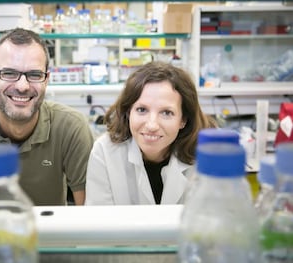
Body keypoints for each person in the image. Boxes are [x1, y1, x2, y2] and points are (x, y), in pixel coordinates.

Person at [0, 28, 94, 206]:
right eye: (9, 73)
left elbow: (88, 214)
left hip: (53, 232)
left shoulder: (71, 128)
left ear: (46, 80)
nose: (22, 86)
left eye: (35, 75)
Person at [85, 61, 216, 205]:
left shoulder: (207, 154)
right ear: (129, 112)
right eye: (142, 110)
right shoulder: (104, 152)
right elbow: (99, 223)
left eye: (166, 112)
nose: (152, 125)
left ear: (183, 120)